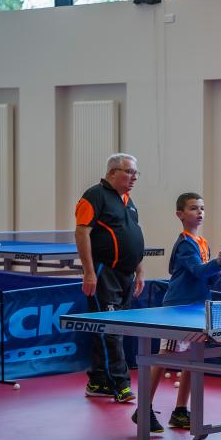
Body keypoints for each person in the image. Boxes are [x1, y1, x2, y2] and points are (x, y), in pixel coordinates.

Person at [132, 192, 221, 432]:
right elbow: (197, 271)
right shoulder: (185, 243)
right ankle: (142, 408)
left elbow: (206, 281)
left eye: (202, 208)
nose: (199, 212)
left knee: (192, 359)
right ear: (180, 214)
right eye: (193, 208)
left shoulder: (203, 243)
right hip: (178, 308)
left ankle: (180, 411)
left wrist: (220, 270)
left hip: (198, 307)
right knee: (165, 356)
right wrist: (215, 265)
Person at [74, 153, 146, 403]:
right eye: (129, 172)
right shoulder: (94, 195)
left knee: (113, 330)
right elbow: (82, 232)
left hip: (126, 275)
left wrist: (139, 270)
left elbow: (132, 234)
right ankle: (120, 384)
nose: (134, 177)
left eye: (136, 173)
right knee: (109, 330)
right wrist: (89, 271)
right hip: (105, 272)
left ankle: (98, 381)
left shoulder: (127, 200)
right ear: (112, 172)